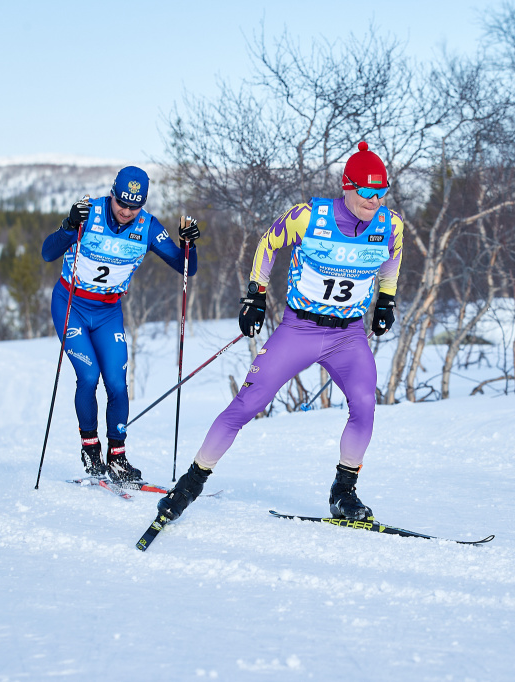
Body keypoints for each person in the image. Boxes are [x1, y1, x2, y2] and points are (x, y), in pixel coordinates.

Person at [156, 141, 403, 524]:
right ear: (348, 186)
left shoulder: (390, 225)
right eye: (368, 191)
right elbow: (268, 244)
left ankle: (344, 493)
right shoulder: (308, 217)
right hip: (299, 329)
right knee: (247, 406)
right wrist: (256, 295)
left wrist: (386, 300)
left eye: (381, 191)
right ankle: (189, 484)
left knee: (365, 405)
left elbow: (392, 261)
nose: (375, 200)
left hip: (348, 336)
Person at [41, 166, 200, 483]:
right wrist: (69, 226)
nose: (126, 211)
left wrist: (189, 245)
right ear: (112, 195)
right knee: (88, 376)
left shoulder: (148, 227)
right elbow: (47, 253)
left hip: (108, 311)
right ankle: (90, 449)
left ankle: (117, 457)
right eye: (121, 203)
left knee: (116, 384)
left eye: (134, 206)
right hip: (71, 304)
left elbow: (186, 268)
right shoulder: (89, 213)